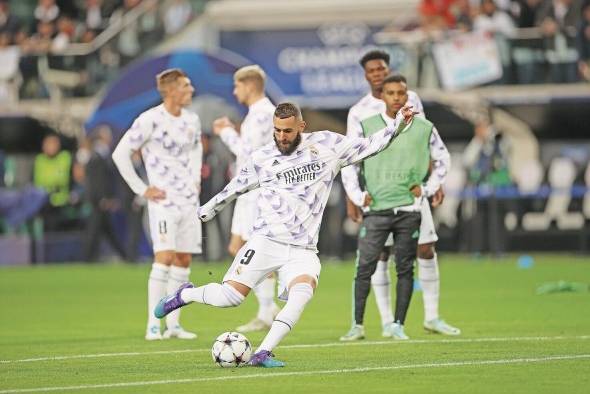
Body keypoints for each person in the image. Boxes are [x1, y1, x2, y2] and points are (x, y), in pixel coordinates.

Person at [155, 102, 414, 367]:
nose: (282, 137)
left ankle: (262, 353)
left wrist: (398, 124)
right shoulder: (262, 158)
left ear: (301, 126)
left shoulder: (327, 146)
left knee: (302, 294)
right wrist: (207, 210)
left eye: (288, 131)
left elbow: (370, 145)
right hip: (265, 241)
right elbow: (236, 187)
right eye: (277, 130)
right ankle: (184, 295)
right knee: (229, 298)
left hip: (303, 249)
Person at [340, 51, 460, 340]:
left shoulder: (411, 98)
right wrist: (353, 196)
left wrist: (433, 181)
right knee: (380, 256)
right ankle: (385, 322)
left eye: (382, 68)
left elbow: (422, 139)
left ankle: (432, 317)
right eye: (372, 70)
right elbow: (351, 155)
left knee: (426, 249)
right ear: (366, 76)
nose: (378, 73)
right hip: (379, 192)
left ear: (388, 70)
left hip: (411, 190)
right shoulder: (359, 111)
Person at [112, 68, 203, 340]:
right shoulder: (150, 119)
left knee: (183, 259)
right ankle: (153, 324)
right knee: (164, 257)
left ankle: (174, 325)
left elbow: (197, 148)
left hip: (189, 201)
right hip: (163, 202)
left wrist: (196, 179)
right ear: (171, 90)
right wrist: (142, 189)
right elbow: (120, 153)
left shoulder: (192, 120)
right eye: (186, 86)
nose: (191, 90)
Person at [212, 65, 280, 333]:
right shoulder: (258, 114)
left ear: (249, 86)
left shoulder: (263, 114)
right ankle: (268, 308)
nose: (234, 90)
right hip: (249, 192)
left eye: (237, 85)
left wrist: (226, 132)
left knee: (250, 249)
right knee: (238, 247)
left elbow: (250, 154)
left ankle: (267, 310)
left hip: (258, 193)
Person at [83, 127, 128, 262]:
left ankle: (125, 256)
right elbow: (98, 180)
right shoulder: (97, 156)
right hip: (98, 200)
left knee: (106, 231)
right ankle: (89, 258)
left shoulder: (100, 155)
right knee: (95, 231)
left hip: (99, 199)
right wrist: (103, 198)